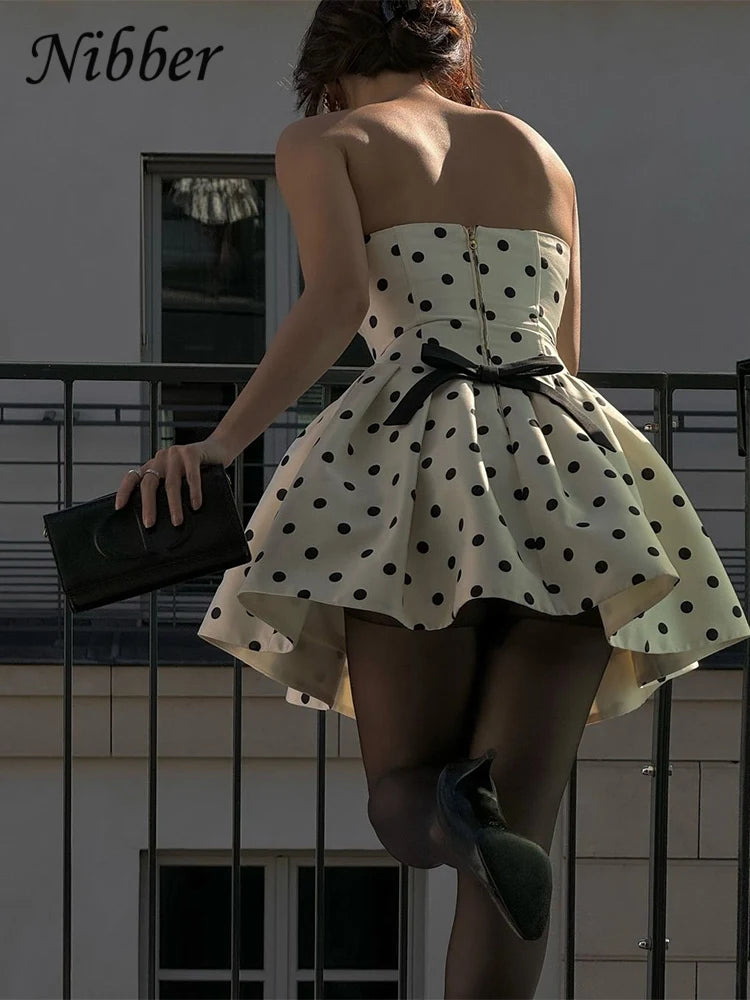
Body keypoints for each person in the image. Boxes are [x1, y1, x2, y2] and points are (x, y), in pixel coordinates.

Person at [116, 1, 750, 996]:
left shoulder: (325, 138)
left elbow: (333, 299)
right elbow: (569, 353)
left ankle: (453, 808)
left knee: (411, 806)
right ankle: (482, 821)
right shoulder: (539, 150)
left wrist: (221, 442)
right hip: (573, 478)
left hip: (415, 478)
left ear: (327, 61)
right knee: (518, 842)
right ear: (451, 56)